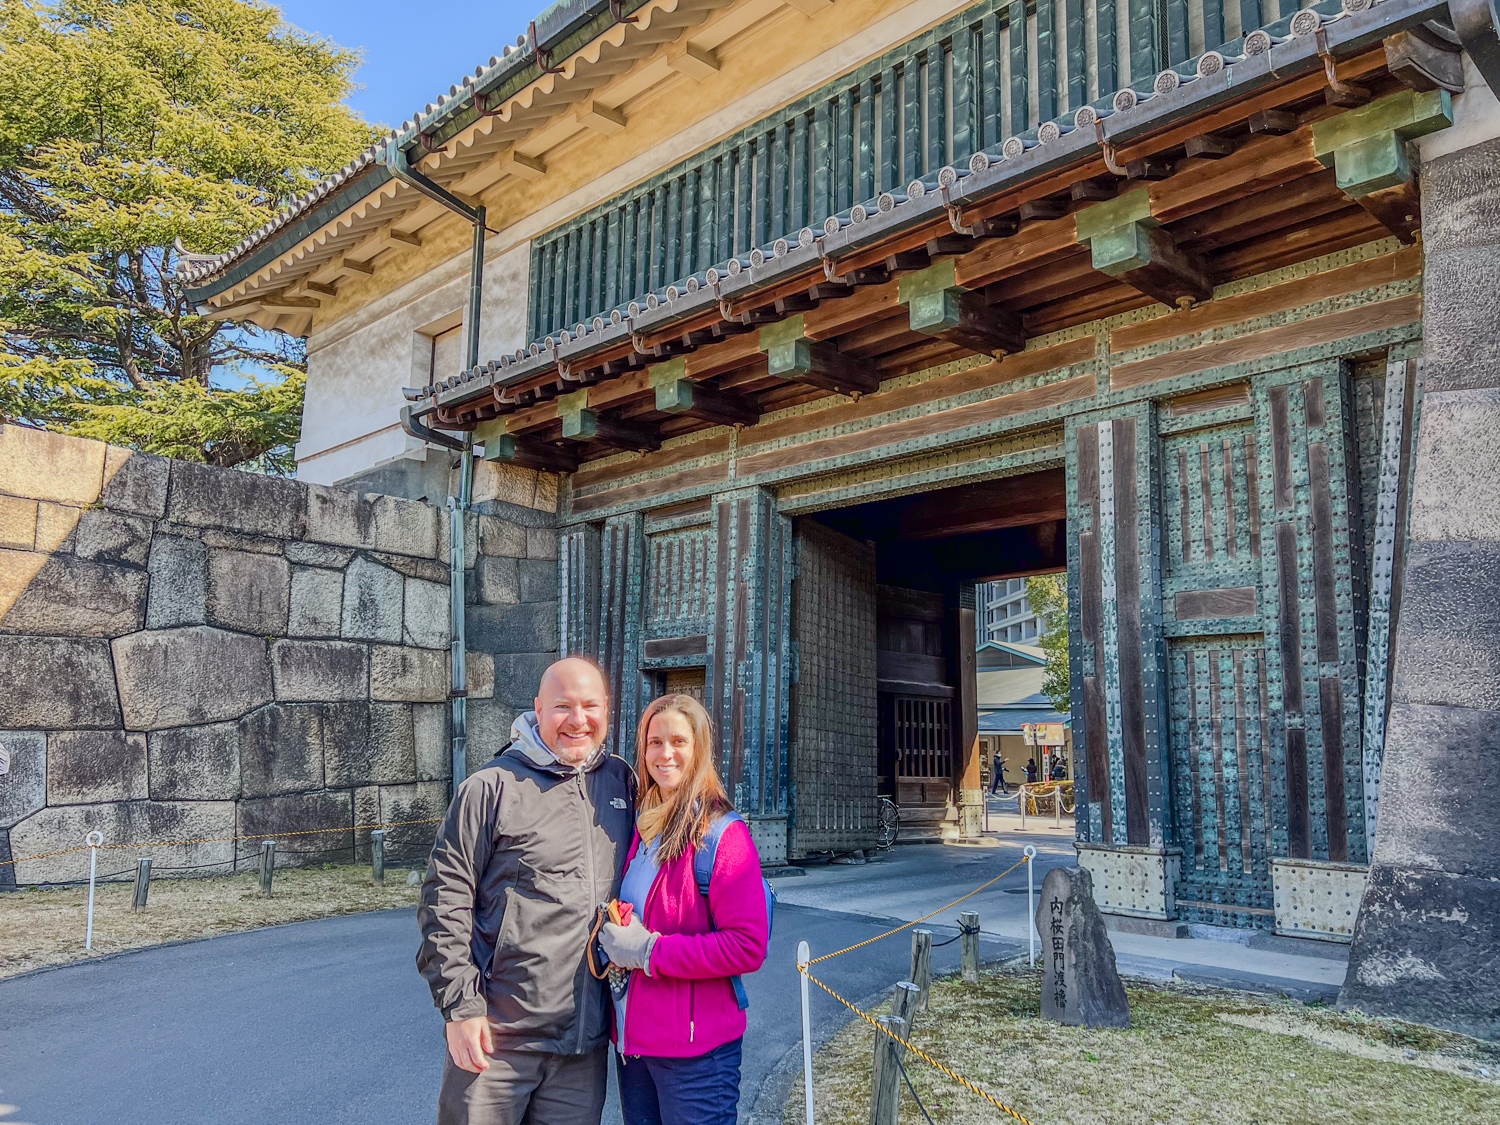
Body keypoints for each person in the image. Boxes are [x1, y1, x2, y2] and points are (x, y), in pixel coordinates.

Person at [417, 657, 635, 1125]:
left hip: (582, 1045)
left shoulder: (621, 783)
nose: (578, 721)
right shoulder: (491, 787)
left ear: (607, 710)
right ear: (538, 708)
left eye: (590, 706)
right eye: (563, 707)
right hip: (497, 1040)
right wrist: (460, 1008)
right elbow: (443, 900)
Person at [599, 694, 769, 1125]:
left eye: (678, 741)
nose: (665, 753)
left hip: (697, 1056)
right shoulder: (642, 825)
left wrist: (649, 951)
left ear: (699, 749)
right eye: (654, 742)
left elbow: (748, 946)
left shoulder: (722, 836)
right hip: (635, 1046)